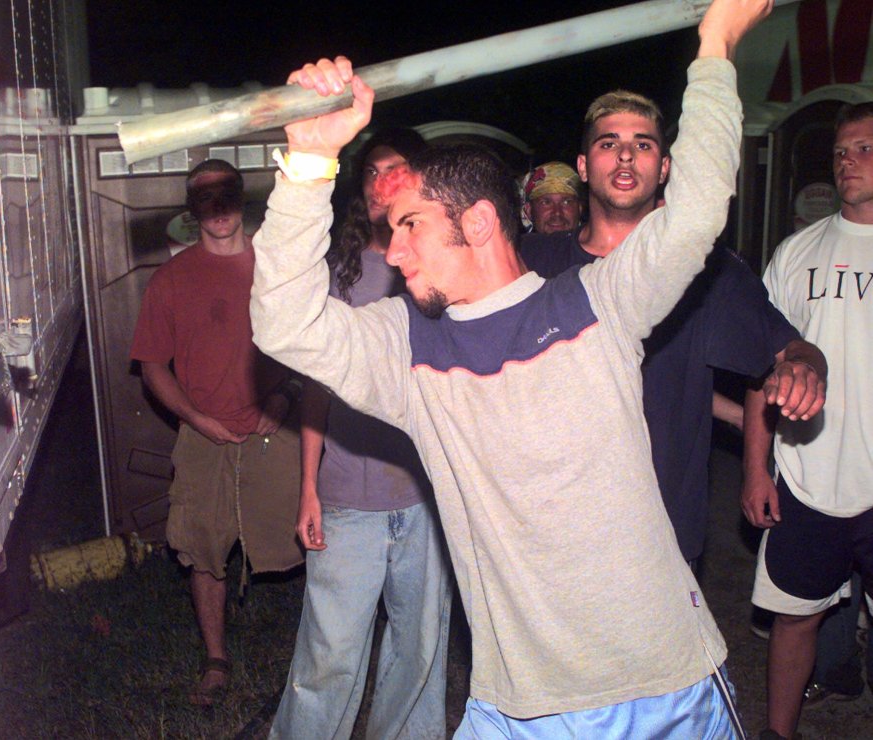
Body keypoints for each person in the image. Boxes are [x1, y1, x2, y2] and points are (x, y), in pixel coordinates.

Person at [251, 0, 771, 734]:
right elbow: (283, 321)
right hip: (517, 707)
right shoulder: (403, 348)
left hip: (661, 686)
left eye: (409, 228)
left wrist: (714, 48)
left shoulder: (599, 305)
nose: (391, 252)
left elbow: (694, 210)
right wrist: (308, 161)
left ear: (480, 223)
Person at [519, 91, 826, 567]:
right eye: (608, 143)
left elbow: (790, 347)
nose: (625, 154)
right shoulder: (533, 263)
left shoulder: (704, 271)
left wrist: (804, 368)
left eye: (643, 145)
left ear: (664, 168)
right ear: (583, 165)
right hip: (547, 535)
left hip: (658, 541)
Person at [270, 129, 452, 739]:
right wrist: (309, 489)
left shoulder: (443, 270)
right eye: (372, 172)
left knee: (420, 655)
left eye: (397, 169)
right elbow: (315, 387)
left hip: (426, 500)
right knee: (330, 658)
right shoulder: (339, 271)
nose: (383, 185)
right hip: (348, 498)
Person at [130, 160, 303, 706]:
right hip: (203, 435)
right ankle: (216, 659)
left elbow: (315, 341)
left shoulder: (278, 266)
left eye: (227, 195)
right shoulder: (172, 279)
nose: (219, 208)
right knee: (203, 548)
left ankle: (318, 654)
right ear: (192, 208)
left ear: (242, 200)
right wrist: (193, 416)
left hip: (275, 430)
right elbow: (153, 365)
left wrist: (283, 395)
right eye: (206, 198)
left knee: (308, 538)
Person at [742, 101, 873, 740]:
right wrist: (755, 470)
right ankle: (779, 733)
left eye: (865, 149)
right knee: (795, 617)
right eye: (842, 151)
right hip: (805, 478)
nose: (849, 161)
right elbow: (761, 371)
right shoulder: (797, 253)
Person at [521, 160, 584, 234]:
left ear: (579, 208)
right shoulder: (514, 245)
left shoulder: (599, 244)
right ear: (529, 210)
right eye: (546, 203)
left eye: (566, 202)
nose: (557, 213)